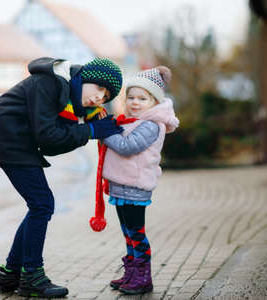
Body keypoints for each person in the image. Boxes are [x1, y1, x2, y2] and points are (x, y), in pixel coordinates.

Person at [0, 57, 124, 298]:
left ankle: (11, 274)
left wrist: (89, 127)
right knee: (42, 204)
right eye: (99, 89)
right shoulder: (51, 84)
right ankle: (31, 276)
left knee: (39, 205)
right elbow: (48, 137)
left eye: (106, 98)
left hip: (16, 141)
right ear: (87, 78)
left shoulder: (68, 97)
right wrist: (90, 131)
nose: (99, 99)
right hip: (8, 138)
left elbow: (52, 144)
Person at [96, 66, 179, 295]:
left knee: (136, 232)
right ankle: (132, 271)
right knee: (127, 232)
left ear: (154, 101)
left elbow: (127, 146)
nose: (135, 102)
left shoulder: (151, 125)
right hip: (122, 187)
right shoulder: (133, 121)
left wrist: (104, 132)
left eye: (142, 98)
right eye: (131, 97)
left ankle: (143, 276)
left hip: (135, 187)